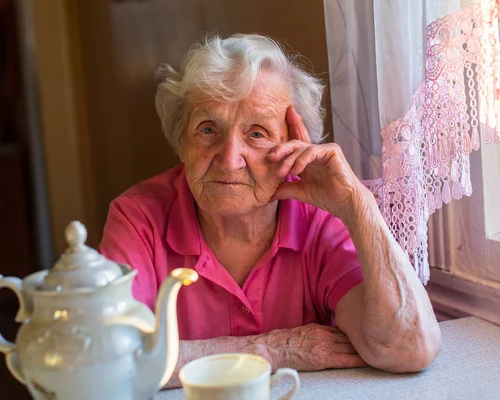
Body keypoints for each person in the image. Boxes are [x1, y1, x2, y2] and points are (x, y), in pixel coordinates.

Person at [98, 33, 441, 387]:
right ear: (182, 141)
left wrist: (358, 204)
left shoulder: (319, 220)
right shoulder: (138, 218)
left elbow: (408, 347)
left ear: (294, 145)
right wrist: (275, 349)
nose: (229, 160)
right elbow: (107, 363)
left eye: (258, 134)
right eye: (208, 129)